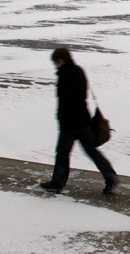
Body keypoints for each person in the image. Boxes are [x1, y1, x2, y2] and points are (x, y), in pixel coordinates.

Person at [39, 47, 119, 194]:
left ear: (61, 60)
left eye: (55, 62)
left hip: (70, 123)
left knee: (62, 153)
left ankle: (57, 183)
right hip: (83, 120)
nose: (55, 65)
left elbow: (66, 100)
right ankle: (110, 176)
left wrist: (63, 118)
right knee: (92, 151)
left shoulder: (65, 75)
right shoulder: (78, 71)